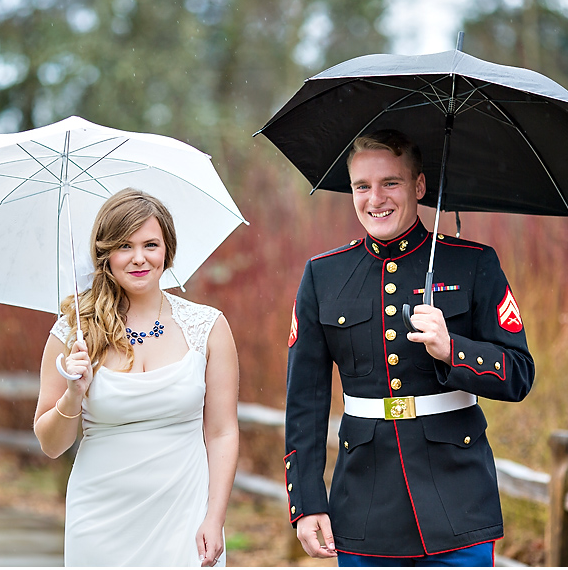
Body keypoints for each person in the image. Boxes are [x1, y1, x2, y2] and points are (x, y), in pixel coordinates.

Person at [284, 129, 535, 566]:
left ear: (419, 186)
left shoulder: (473, 263)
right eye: (362, 186)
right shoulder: (323, 276)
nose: (374, 198)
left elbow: (518, 374)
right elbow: (305, 402)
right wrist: (306, 503)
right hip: (362, 504)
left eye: (390, 183)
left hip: (458, 501)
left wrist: (452, 348)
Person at [34, 188, 240, 567]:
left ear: (168, 250)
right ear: (105, 254)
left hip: (186, 517)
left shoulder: (207, 326)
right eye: (125, 246)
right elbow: (51, 444)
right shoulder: (73, 332)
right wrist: (72, 395)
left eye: (151, 244)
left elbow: (223, 431)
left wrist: (215, 516)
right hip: (100, 524)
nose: (140, 258)